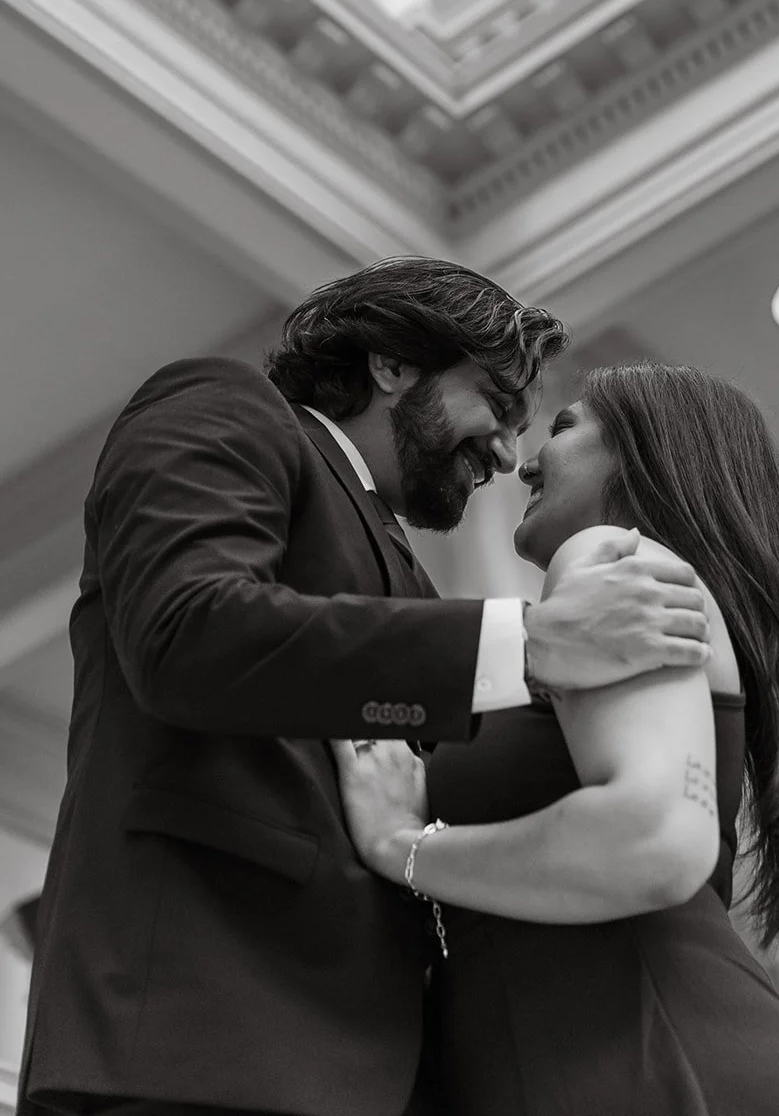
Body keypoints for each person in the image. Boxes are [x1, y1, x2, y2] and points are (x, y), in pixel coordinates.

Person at [17, 264, 713, 1116]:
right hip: (202, 1032)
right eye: (494, 403)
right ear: (392, 364)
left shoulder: (407, 573)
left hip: (367, 1066)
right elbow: (186, 632)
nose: (504, 453)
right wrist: (525, 640)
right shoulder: (222, 404)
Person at [334, 362, 779, 1116]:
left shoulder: (613, 560)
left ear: (645, 452)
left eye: (562, 428)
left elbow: (649, 837)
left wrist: (402, 846)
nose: (522, 461)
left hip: (651, 1067)